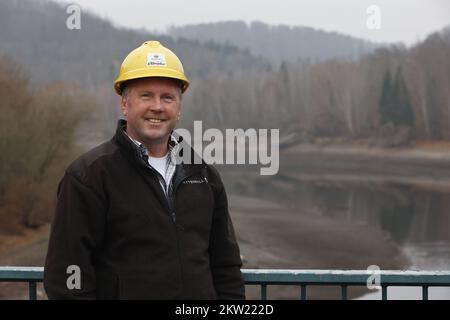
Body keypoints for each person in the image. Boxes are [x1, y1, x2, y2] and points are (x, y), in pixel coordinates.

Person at [44, 41, 245, 299]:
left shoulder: (204, 175)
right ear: (125, 104)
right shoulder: (89, 176)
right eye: (146, 95)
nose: (157, 107)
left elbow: (226, 268)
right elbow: (66, 278)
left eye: (167, 97)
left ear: (179, 109)